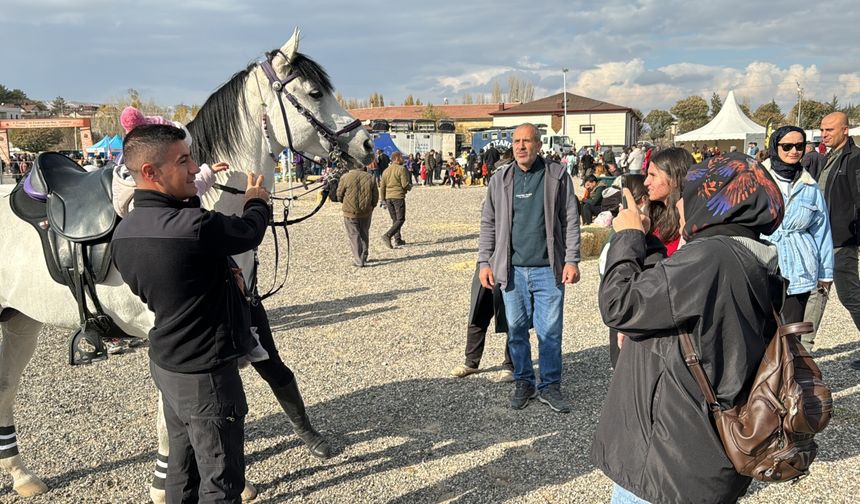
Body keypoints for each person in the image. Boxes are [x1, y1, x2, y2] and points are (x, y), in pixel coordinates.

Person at [595, 152, 786, 504]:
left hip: (666, 462)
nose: (680, 203)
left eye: (689, 194)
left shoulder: (710, 258)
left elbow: (619, 304)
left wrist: (628, 238)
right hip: (701, 451)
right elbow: (667, 298)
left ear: (712, 198)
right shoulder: (747, 252)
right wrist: (649, 240)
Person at [111, 124, 270, 502]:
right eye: (183, 160)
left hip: (168, 362)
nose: (194, 167)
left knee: (181, 471)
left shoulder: (125, 230)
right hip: (207, 375)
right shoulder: (195, 227)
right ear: (150, 172)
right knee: (221, 482)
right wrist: (256, 199)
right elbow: (249, 232)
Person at [477, 123, 581, 413]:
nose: (521, 146)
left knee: (550, 331)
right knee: (517, 330)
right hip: (511, 271)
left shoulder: (557, 176)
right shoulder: (500, 179)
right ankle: (524, 380)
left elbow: (570, 220)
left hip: (549, 269)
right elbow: (489, 223)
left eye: (527, 141)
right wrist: (485, 261)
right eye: (516, 141)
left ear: (538, 145)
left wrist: (571, 259)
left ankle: (549, 385)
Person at [763, 126, 833, 343]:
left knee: (792, 335)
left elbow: (821, 230)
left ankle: (790, 375)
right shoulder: (757, 179)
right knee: (762, 334)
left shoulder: (809, 186)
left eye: (799, 146)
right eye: (787, 146)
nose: (794, 151)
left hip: (799, 268)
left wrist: (826, 273)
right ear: (775, 147)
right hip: (764, 264)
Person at [818, 112, 860, 369]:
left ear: (845, 130)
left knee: (850, 294)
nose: (824, 134)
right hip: (825, 238)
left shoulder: (855, 159)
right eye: (822, 130)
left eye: (830, 130)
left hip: (842, 240)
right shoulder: (830, 157)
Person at [450, 264, 513, 381]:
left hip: (511, 263)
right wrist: (484, 263)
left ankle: (510, 365)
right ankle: (471, 362)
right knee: (478, 312)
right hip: (487, 261)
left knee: (512, 316)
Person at [644, 147, 690, 256]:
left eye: (653, 175)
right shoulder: (654, 215)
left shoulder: (688, 223)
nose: (646, 182)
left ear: (674, 179)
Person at [337, 164, 378, 267]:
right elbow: (375, 196)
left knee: (354, 235)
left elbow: (339, 195)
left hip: (350, 211)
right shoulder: (371, 178)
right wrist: (372, 206)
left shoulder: (345, 177)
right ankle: (364, 256)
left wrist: (345, 202)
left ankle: (358, 259)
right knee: (364, 233)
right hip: (366, 211)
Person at [380, 151, 411, 249]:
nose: (403, 159)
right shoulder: (401, 169)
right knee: (401, 219)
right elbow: (405, 184)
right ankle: (388, 235)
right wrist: (410, 187)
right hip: (398, 197)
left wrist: (383, 199)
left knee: (395, 219)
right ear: (397, 159)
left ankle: (398, 239)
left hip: (388, 198)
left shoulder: (386, 171)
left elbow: (382, 187)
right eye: (401, 157)